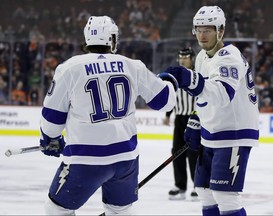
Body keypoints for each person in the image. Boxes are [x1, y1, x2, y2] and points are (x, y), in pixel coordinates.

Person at [39, 15, 178, 215]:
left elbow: (53, 116)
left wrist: (50, 138)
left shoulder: (70, 68)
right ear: (112, 39)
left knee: (56, 209)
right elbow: (165, 101)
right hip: (125, 159)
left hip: (85, 159)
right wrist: (168, 81)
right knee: (120, 210)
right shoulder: (133, 65)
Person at [165, 6, 259, 216]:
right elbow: (203, 97)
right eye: (198, 29)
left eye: (208, 29)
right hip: (213, 132)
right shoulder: (201, 57)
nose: (202, 34)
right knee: (204, 191)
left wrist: (189, 78)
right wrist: (196, 121)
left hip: (233, 134)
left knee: (226, 197)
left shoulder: (229, 56)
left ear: (221, 30)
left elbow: (222, 94)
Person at [163, 47, 198, 200]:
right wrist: (168, 114)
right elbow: (171, 95)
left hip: (194, 118)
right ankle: (180, 185)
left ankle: (199, 185)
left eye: (186, 57)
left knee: (194, 153)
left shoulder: (197, 74)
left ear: (192, 59)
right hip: (179, 118)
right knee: (177, 152)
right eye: (181, 57)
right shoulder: (174, 75)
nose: (183, 59)